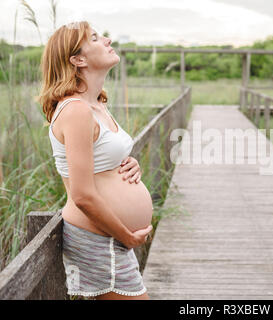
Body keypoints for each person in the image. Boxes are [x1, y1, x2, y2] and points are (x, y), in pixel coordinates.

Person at [38, 21, 154, 300]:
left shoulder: (97, 104)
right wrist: (126, 236)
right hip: (100, 241)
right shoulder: (76, 110)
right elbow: (82, 194)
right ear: (78, 59)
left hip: (110, 238)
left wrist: (126, 163)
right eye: (94, 38)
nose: (106, 39)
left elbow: (100, 159)